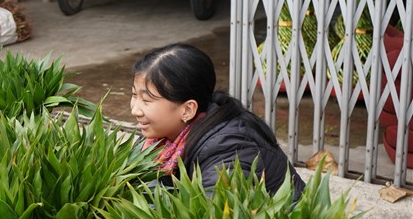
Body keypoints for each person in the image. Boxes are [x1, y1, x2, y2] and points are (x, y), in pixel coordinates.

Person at [130, 43, 305, 199]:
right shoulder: (158, 139)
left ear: (188, 109)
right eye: (134, 95)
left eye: (147, 101)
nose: (135, 110)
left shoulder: (229, 149)